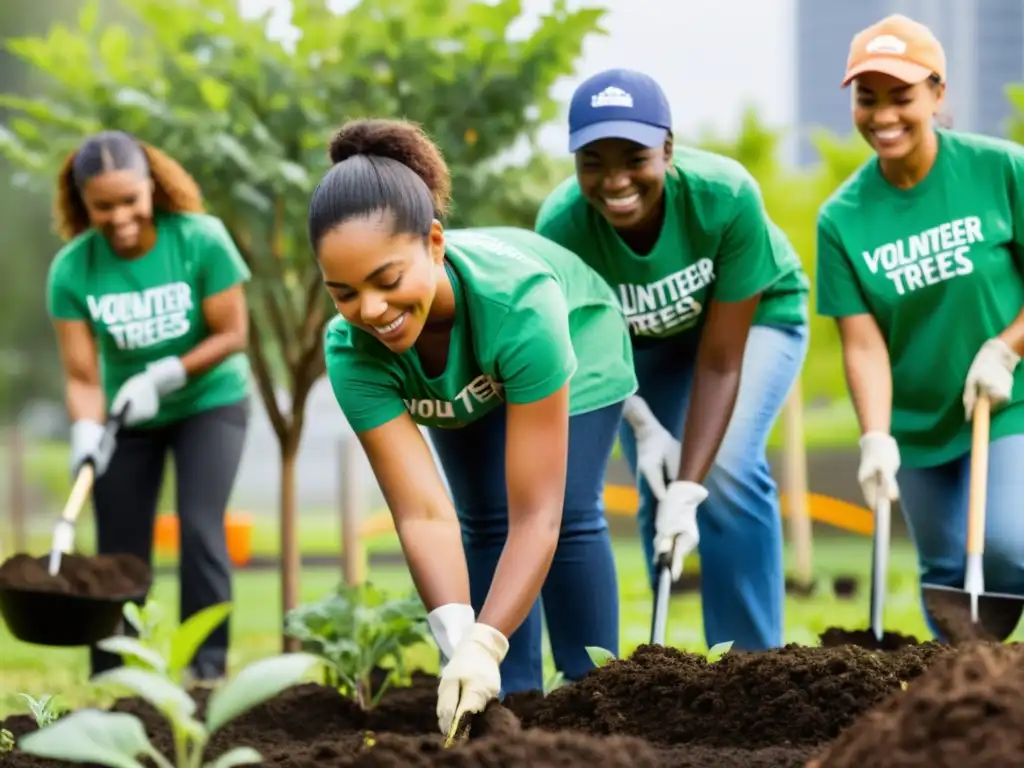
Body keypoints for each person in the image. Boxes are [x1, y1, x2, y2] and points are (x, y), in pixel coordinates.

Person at [311, 118, 637, 734]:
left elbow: (537, 514)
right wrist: (460, 636)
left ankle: (595, 697)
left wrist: (489, 639)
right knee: (481, 517)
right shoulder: (353, 352)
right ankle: (504, 707)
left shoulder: (522, 308)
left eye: (387, 280)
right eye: (344, 292)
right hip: (471, 379)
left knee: (563, 514)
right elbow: (422, 513)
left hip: (577, 336)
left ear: (435, 244)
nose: (372, 310)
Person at [535, 68, 810, 652]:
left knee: (724, 468)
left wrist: (692, 487)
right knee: (658, 482)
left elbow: (720, 362)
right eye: (593, 161)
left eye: (634, 157)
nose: (614, 180)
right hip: (638, 349)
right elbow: (582, 348)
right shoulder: (561, 229)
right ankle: (658, 673)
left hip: (754, 319)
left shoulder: (725, 196)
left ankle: (752, 667)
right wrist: (642, 425)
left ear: (667, 148)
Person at [816, 14, 1024, 629]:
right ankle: (962, 706)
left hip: (1007, 400)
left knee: (1009, 545)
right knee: (945, 576)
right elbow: (863, 344)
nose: (884, 116)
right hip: (916, 422)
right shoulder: (842, 218)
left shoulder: (1001, 170)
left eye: (901, 97)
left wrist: (1007, 349)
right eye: (867, 99)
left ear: (937, 93)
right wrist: (876, 436)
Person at [46, 130, 253, 679]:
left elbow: (232, 333)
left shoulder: (201, 239)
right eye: (102, 206)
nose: (119, 217)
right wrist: (87, 431)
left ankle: (206, 670)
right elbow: (82, 376)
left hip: (209, 400)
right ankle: (118, 674)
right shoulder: (72, 270)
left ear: (153, 188)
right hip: (125, 415)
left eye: (129, 200)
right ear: (81, 203)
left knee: (200, 525)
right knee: (118, 544)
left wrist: (166, 374)